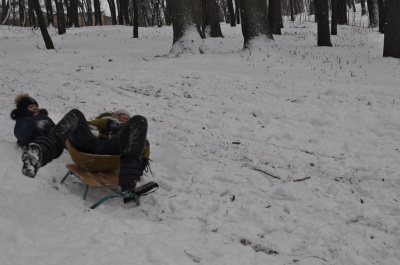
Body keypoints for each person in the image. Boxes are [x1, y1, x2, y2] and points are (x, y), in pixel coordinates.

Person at [11, 94, 149, 200]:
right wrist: (109, 124)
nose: (124, 117)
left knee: (140, 120)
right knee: (75, 113)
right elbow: (84, 124)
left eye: (126, 116)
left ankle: (129, 184)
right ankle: (41, 153)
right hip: (86, 147)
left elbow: (142, 146)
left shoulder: (128, 130)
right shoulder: (104, 120)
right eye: (121, 115)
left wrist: (123, 130)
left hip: (109, 150)